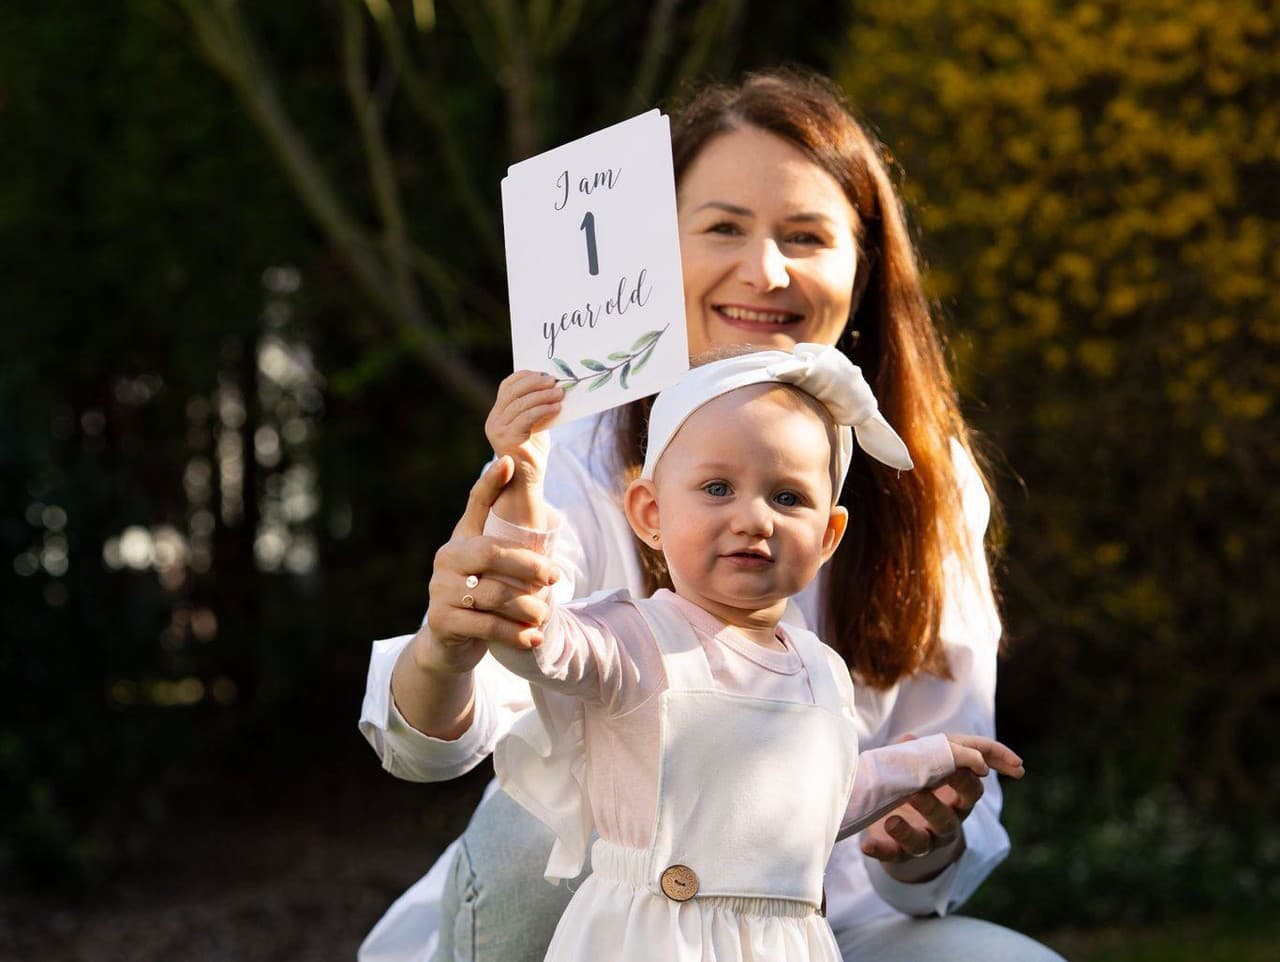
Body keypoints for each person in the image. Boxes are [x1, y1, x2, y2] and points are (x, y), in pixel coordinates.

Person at [359, 69, 1065, 961]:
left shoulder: (926, 479)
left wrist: (920, 837)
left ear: (864, 266)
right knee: (546, 820)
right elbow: (467, 719)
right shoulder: (577, 446)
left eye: (806, 236)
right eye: (724, 227)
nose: (764, 271)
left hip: (815, 930)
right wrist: (448, 647)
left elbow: (942, 778)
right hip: (600, 920)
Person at [464, 344, 1024, 962]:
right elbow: (528, 630)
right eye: (717, 488)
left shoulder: (819, 670)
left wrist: (931, 759)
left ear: (828, 535)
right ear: (650, 512)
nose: (754, 519)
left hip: (784, 942)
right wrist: (523, 485)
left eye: (788, 498)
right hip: (649, 938)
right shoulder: (634, 639)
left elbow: (820, 803)